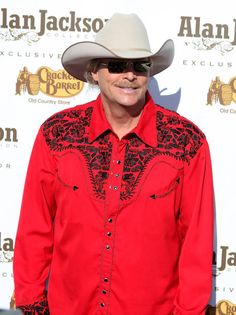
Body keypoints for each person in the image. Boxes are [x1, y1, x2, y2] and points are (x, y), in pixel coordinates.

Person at [13, 13, 214, 315]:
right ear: (94, 72)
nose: (130, 75)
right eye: (118, 66)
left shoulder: (187, 143)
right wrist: (31, 304)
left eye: (140, 65)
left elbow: (196, 245)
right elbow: (34, 227)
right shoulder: (57, 134)